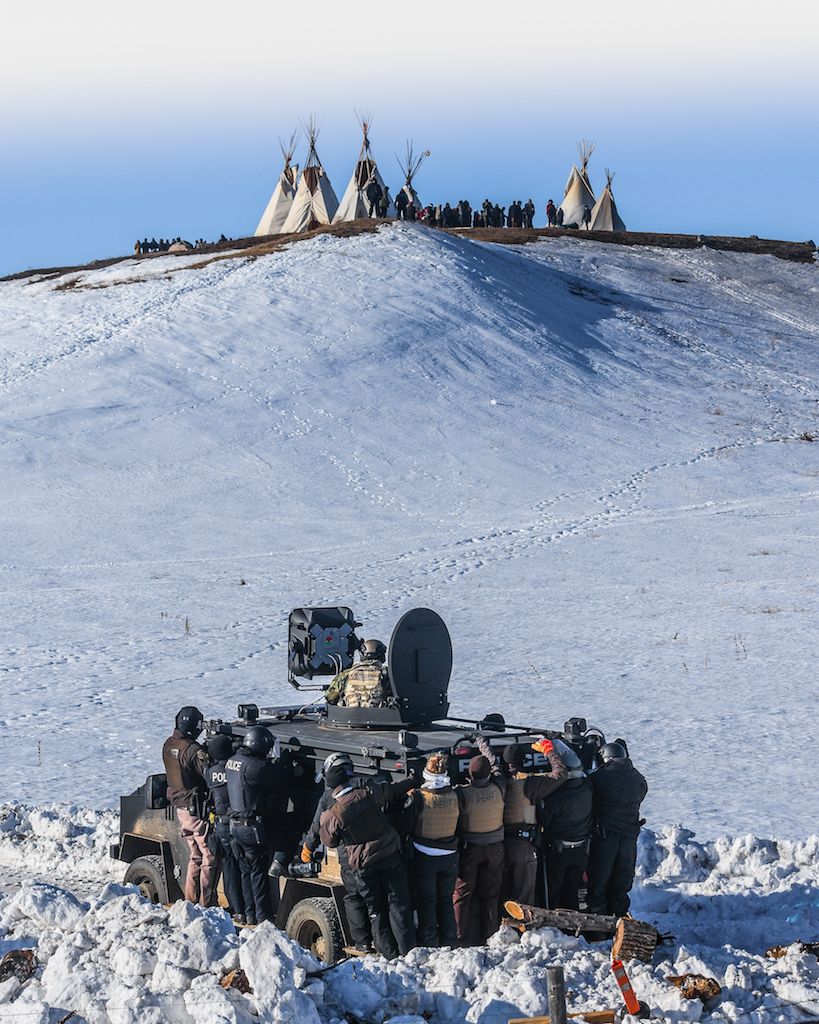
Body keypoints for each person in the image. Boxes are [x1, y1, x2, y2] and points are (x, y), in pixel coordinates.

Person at [319, 758, 416, 958]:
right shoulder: (368, 794)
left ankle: (388, 955)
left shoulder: (332, 815)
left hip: (364, 866)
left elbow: (330, 842)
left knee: (376, 910)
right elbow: (393, 791)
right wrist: (413, 781)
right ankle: (408, 953)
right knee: (399, 904)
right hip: (389, 855)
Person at [300, 752, 373, 952]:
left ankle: (362, 942)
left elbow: (317, 826)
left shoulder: (328, 797)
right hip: (374, 851)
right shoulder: (365, 787)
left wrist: (308, 847)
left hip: (348, 855)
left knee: (353, 896)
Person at [399, 751, 462, 947]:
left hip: (425, 855)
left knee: (427, 901)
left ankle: (429, 941)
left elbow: (406, 826)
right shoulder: (456, 794)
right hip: (450, 856)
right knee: (446, 900)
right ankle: (450, 940)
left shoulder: (419, 797)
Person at [497, 738, 567, 907]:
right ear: (524, 761)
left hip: (498, 845)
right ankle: (524, 931)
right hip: (524, 845)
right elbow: (561, 774)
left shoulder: (497, 781)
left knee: (502, 894)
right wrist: (549, 751)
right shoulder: (529, 784)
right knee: (524, 898)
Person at [226, 725, 282, 925]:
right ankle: (261, 918)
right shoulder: (255, 767)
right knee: (258, 874)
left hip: (235, 826)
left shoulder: (233, 762)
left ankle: (249, 914)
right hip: (251, 829)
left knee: (245, 872)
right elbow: (278, 776)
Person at [162, 706, 217, 906]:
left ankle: (190, 901)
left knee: (195, 856)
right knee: (208, 857)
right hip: (196, 811)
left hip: (181, 809)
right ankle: (206, 903)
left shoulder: (168, 745)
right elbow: (209, 775)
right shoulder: (193, 750)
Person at [585, 742, 647, 917]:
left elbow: (587, 791)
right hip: (629, 839)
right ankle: (620, 920)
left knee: (598, 882)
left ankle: (598, 926)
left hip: (606, 838)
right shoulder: (638, 778)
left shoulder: (601, 777)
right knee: (621, 883)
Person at [452, 742, 506, 944]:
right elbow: (495, 764)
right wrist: (483, 744)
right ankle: (490, 936)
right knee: (491, 895)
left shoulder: (462, 793)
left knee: (462, 895)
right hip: (495, 848)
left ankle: (458, 936)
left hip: (470, 849)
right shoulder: (499, 786)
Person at [538, 742, 592, 910]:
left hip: (559, 850)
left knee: (553, 891)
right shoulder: (586, 790)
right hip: (581, 850)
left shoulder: (557, 797)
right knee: (572, 891)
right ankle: (574, 925)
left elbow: (544, 821)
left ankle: (555, 927)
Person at [205, 734, 245, 922]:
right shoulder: (234, 769)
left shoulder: (211, 772)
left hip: (220, 825)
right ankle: (244, 908)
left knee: (229, 867)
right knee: (243, 867)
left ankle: (236, 908)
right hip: (236, 823)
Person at [325, 639, 391, 708]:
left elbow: (330, 697)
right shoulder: (387, 674)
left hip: (349, 717)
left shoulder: (346, 674)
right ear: (382, 656)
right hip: (379, 717)